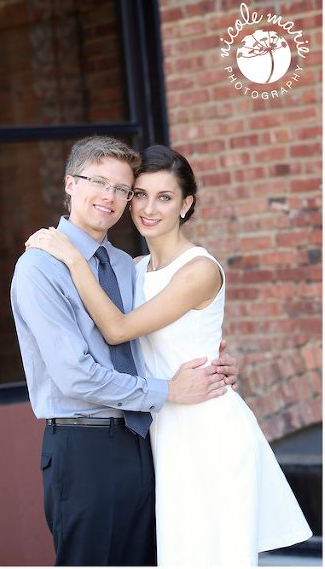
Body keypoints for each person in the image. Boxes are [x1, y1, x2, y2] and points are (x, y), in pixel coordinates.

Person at [25, 144, 311, 565]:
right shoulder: (132, 268)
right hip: (154, 427)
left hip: (202, 427)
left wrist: (72, 256)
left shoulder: (197, 269)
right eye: (140, 194)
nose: (148, 208)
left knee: (213, 554)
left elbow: (118, 329)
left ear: (186, 204)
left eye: (164, 197)